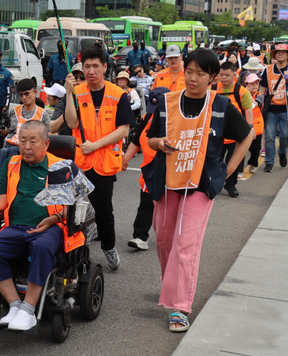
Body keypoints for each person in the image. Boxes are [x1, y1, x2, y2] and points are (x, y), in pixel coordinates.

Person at [143, 48, 254, 332]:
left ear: (213, 78)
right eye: (189, 71)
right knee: (165, 241)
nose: (192, 78)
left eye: (200, 74)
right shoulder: (167, 102)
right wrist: (158, 144)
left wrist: (227, 172)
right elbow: (151, 136)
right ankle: (171, 284)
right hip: (167, 183)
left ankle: (179, 306)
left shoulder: (221, 105)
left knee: (186, 244)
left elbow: (247, 135)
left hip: (201, 186)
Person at [0, 120, 89, 331]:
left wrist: (54, 219)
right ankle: (15, 305)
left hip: (52, 227)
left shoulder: (62, 166)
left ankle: (29, 309)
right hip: (16, 227)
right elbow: (4, 197)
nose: (26, 146)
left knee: (42, 247)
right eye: (22, 141)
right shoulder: (12, 164)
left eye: (33, 141)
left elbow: (79, 205)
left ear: (46, 143)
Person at [64, 45, 134, 270]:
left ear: (105, 67)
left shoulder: (117, 94)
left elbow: (123, 130)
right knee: (70, 209)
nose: (91, 71)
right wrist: (68, 93)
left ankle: (109, 247)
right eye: (87, 67)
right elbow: (73, 123)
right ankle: (72, 248)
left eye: (96, 66)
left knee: (104, 210)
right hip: (80, 161)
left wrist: (95, 145)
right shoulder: (77, 91)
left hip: (103, 163)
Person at [123, 87, 169, 251]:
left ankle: (172, 237)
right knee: (146, 204)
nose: (154, 112)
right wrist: (125, 159)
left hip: (171, 171)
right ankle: (140, 237)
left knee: (169, 207)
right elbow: (135, 141)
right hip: (150, 171)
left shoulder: (175, 120)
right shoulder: (147, 117)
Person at [0, 77, 49, 189]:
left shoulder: (43, 114)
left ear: (35, 92)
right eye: (21, 95)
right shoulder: (14, 111)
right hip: (10, 146)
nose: (24, 98)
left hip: (29, 148)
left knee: (9, 152)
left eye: (26, 94)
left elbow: (46, 136)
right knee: (3, 151)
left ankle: (2, 183)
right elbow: (9, 131)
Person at [211, 61, 253, 197]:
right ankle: (214, 184)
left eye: (227, 75)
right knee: (215, 160)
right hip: (217, 133)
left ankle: (230, 185)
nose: (223, 78)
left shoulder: (242, 91)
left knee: (233, 161)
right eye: (221, 75)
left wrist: (249, 130)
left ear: (234, 75)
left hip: (234, 133)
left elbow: (248, 110)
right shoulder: (213, 89)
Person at [261, 44, 288, 172]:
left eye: (283, 52)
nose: (280, 54)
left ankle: (282, 152)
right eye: (277, 52)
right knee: (269, 137)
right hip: (271, 110)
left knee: (284, 136)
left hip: (287, 110)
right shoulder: (267, 70)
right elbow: (262, 88)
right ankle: (269, 163)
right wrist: (258, 98)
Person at [241, 72, 264, 179]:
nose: (255, 85)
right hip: (245, 126)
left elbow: (254, 104)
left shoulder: (260, 95)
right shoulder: (241, 93)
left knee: (256, 149)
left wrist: (247, 94)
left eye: (257, 83)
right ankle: (239, 170)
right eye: (252, 83)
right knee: (241, 150)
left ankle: (253, 163)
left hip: (257, 128)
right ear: (247, 84)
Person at [49, 66, 83, 135]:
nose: (78, 80)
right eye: (75, 77)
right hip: (67, 141)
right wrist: (67, 113)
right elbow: (51, 128)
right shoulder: (64, 100)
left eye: (82, 77)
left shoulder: (91, 99)